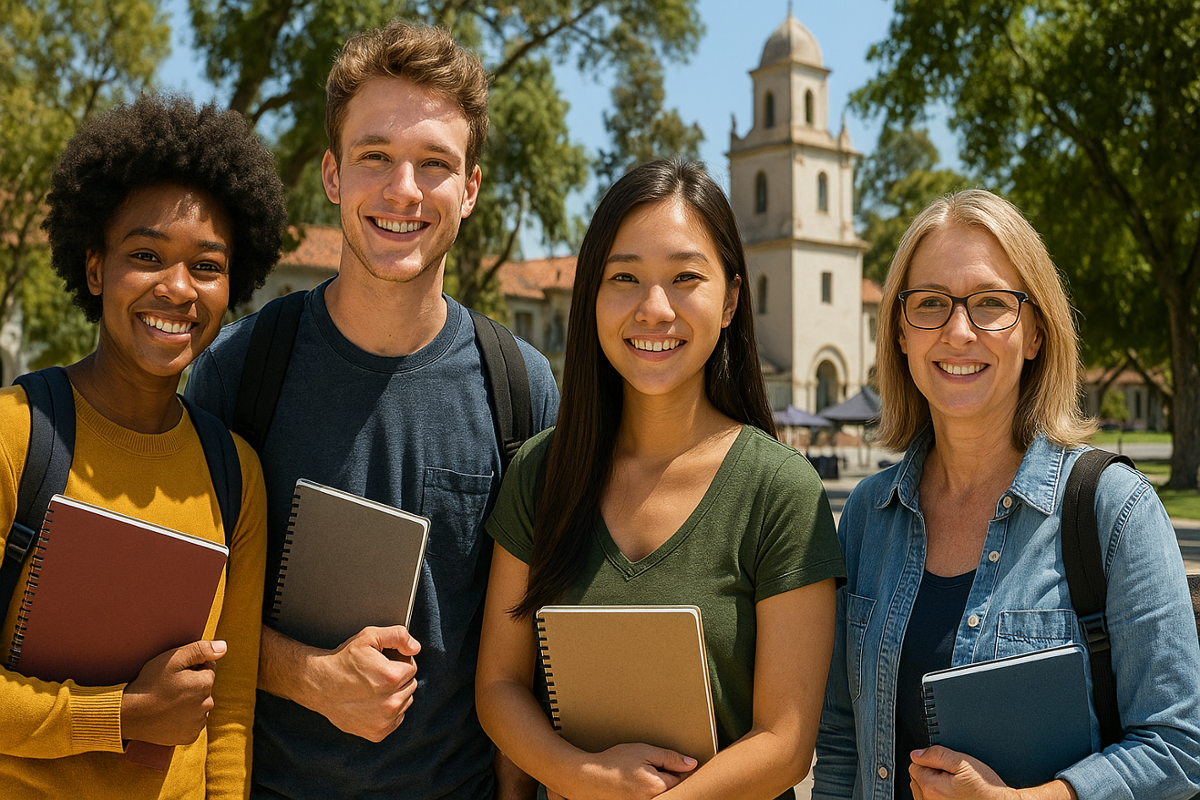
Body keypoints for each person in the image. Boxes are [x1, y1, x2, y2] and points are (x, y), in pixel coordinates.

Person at [184, 19, 559, 800]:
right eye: (375, 158)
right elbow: (181, 612)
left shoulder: (522, 391)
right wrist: (305, 675)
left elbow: (533, 652)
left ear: (472, 188)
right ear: (331, 175)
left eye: (435, 164)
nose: (404, 191)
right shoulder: (239, 371)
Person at [812, 189, 1200, 800]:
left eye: (991, 303)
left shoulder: (1114, 511)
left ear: (1037, 333)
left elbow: (1180, 748)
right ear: (902, 334)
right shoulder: (866, 516)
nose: (958, 331)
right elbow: (840, 739)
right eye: (931, 304)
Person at [476, 159, 844, 800]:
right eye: (624, 277)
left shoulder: (781, 491)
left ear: (730, 299)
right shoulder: (540, 471)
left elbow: (785, 745)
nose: (654, 308)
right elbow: (499, 687)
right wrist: (584, 777)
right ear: (591, 295)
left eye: (684, 278)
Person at [0, 94, 285, 798]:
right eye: (146, 255)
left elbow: (230, 715)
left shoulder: (235, 475)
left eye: (207, 267)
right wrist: (124, 717)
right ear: (95, 269)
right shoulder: (15, 433)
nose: (177, 289)